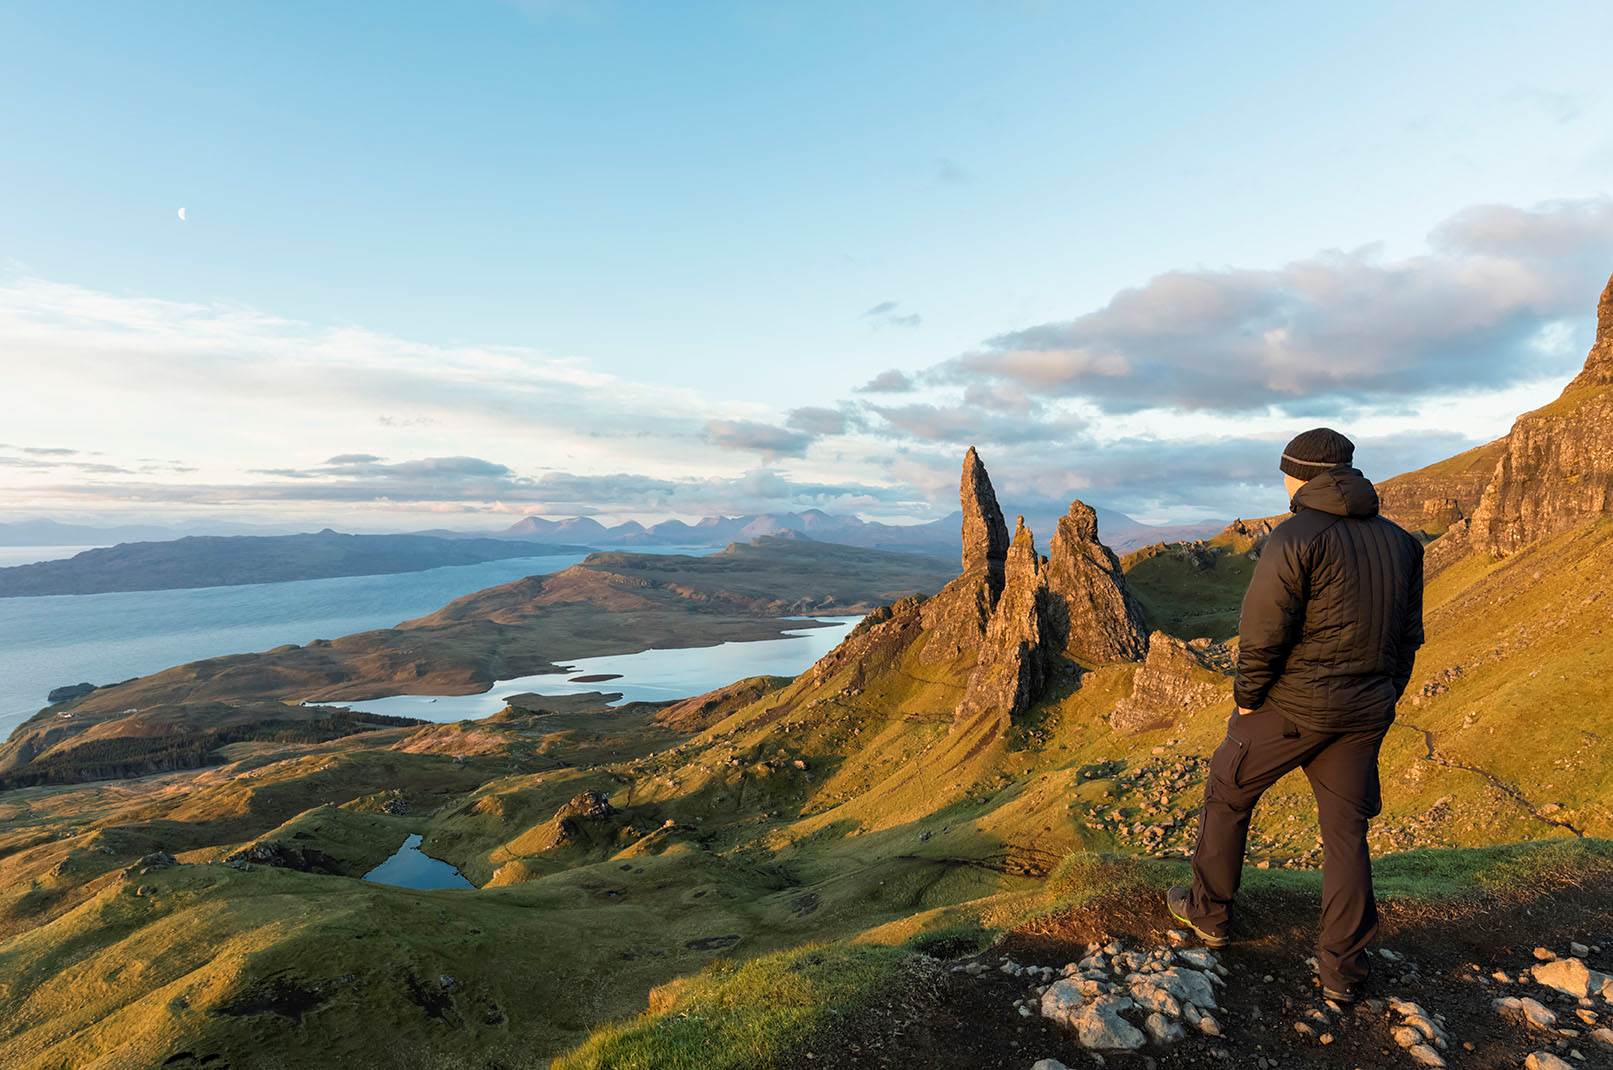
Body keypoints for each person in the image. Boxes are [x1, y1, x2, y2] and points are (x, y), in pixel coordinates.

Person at [1167, 427, 1424, 1001]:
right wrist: (1383, 696)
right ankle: (1343, 973)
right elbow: (1408, 639)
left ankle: (1208, 913)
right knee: (1345, 836)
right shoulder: (1401, 542)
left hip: (1293, 708)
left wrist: (1248, 698)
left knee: (1227, 787)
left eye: (1284, 470)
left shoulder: (1294, 536)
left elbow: (1262, 632)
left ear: (1300, 474)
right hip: (1363, 712)